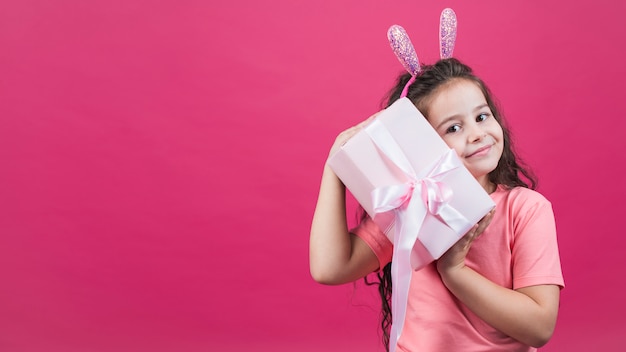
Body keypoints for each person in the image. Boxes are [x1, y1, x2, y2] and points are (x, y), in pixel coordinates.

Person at [309, 58, 564, 351]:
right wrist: (335, 167)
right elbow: (329, 269)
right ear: (420, 143)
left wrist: (454, 272)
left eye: (482, 117)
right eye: (454, 128)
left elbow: (540, 327)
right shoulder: (409, 208)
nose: (477, 134)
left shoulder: (526, 209)